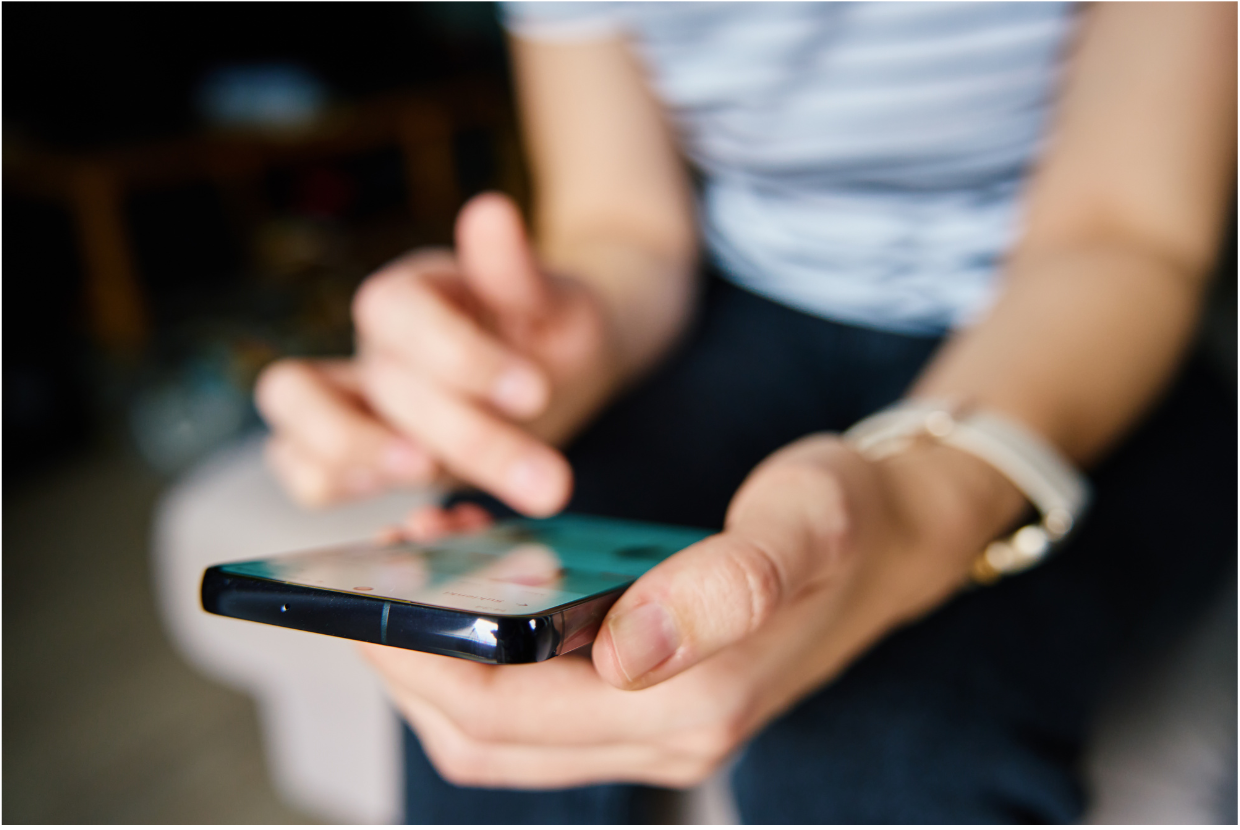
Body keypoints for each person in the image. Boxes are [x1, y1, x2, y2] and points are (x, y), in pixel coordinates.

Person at [253, 1, 1237, 823]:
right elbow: (621, 220)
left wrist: (926, 502)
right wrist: (531, 352)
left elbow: (1124, 234)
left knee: (890, 746)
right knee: (486, 612)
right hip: (740, 307)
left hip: (1085, 328)